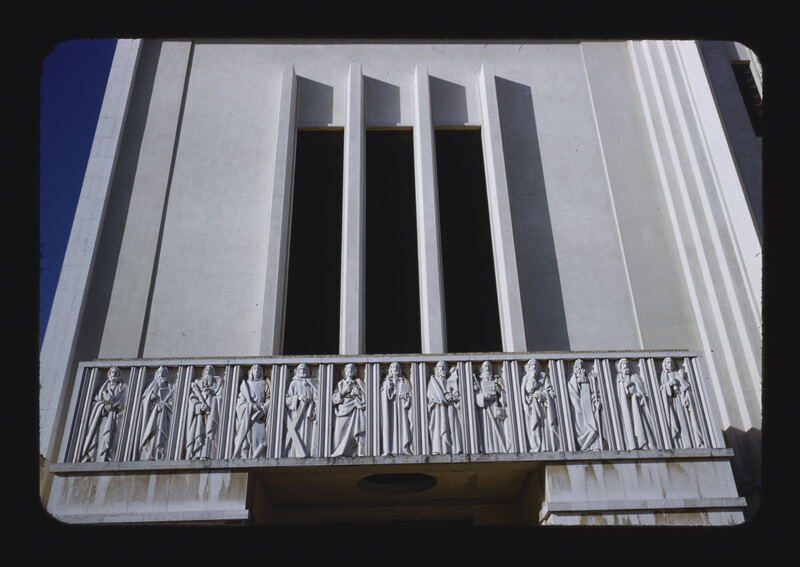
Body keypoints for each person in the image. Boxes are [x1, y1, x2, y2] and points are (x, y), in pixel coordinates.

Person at [80, 366, 126, 462]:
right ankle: (96, 457)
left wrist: (117, 405)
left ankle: (110, 457)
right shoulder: (102, 388)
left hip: (117, 418)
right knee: (99, 438)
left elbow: (127, 401)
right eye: (112, 372)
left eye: (116, 373)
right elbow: (95, 403)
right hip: (102, 418)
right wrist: (103, 407)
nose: (114, 374)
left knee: (113, 439)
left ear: (119, 375)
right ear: (109, 374)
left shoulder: (123, 387)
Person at [659, 357, 705, 448]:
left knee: (688, 421)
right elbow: (662, 389)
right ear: (665, 365)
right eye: (668, 363)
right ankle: (680, 444)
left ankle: (693, 442)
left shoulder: (678, 373)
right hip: (673, 401)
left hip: (682, 400)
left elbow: (685, 386)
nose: (670, 364)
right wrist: (669, 384)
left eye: (671, 362)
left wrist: (685, 394)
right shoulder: (665, 375)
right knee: (678, 422)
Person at [616, 358, 658, 450]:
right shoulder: (620, 379)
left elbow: (642, 390)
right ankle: (634, 444)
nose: (627, 369)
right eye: (624, 368)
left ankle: (647, 443)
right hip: (628, 407)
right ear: (621, 369)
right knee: (631, 424)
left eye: (628, 367)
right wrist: (626, 387)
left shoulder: (635, 376)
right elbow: (622, 395)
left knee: (642, 423)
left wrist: (638, 394)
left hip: (638, 405)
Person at [521, 359, 560, 452]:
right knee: (535, 426)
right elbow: (526, 391)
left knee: (545, 426)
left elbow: (550, 391)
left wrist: (542, 394)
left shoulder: (543, 376)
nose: (534, 367)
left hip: (544, 406)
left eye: (536, 365)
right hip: (532, 406)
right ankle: (536, 446)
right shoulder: (526, 377)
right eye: (532, 365)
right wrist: (532, 379)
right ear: (529, 367)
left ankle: (548, 446)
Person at [233, 364, 271, 459]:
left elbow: (269, 399)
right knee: (245, 440)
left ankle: (258, 456)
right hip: (247, 415)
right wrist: (250, 406)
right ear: (251, 372)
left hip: (259, 415)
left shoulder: (264, 383)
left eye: (259, 370)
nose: (256, 371)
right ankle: (243, 457)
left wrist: (263, 409)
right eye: (254, 369)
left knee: (259, 438)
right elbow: (240, 403)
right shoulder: (245, 385)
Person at [426, 361, 463, 455]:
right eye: (439, 366)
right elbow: (431, 396)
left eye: (444, 366)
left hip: (450, 409)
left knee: (452, 427)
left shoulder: (449, 381)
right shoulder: (433, 381)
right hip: (439, 409)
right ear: (436, 369)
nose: (442, 368)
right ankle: (439, 449)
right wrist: (443, 398)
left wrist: (452, 397)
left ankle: (452, 449)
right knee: (439, 427)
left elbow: (456, 395)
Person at [185, 365, 221, 459]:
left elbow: (220, 399)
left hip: (211, 415)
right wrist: (199, 406)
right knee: (198, 432)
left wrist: (211, 398)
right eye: (206, 369)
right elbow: (192, 400)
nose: (208, 371)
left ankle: (207, 455)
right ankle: (196, 454)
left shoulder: (217, 385)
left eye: (211, 370)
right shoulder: (197, 384)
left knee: (209, 434)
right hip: (199, 416)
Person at [331, 363, 367, 457]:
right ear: (345, 371)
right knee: (339, 434)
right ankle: (338, 452)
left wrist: (358, 393)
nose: (350, 370)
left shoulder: (358, 383)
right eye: (348, 368)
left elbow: (366, 398)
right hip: (342, 411)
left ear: (355, 371)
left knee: (357, 429)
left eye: (352, 368)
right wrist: (344, 391)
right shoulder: (340, 384)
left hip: (356, 409)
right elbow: (334, 399)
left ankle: (356, 450)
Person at [139, 366, 174, 461]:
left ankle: (162, 454)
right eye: (160, 372)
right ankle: (151, 454)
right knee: (153, 435)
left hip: (166, 416)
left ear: (167, 375)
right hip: (153, 416)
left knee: (163, 435)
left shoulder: (171, 387)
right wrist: (151, 398)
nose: (161, 374)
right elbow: (144, 401)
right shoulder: (152, 387)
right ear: (156, 374)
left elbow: (174, 403)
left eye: (164, 373)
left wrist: (164, 405)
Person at [567, 359, 602, 450]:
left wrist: (595, 399)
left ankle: (593, 446)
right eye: (578, 365)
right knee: (582, 426)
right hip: (579, 406)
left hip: (589, 406)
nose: (580, 367)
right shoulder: (573, 379)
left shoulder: (589, 377)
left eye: (581, 365)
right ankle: (583, 446)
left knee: (593, 425)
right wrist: (578, 380)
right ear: (575, 367)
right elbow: (572, 391)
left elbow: (594, 391)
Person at [473, 361, 508, 453]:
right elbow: (475, 397)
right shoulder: (479, 383)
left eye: (489, 367)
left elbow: (504, 398)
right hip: (485, 410)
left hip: (495, 407)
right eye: (485, 367)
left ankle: (499, 448)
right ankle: (488, 449)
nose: (487, 368)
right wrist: (483, 397)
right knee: (487, 429)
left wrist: (499, 390)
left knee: (498, 428)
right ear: (482, 370)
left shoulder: (496, 382)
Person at [284, 363, 317, 457]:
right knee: (296, 432)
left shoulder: (311, 384)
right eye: (301, 369)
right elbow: (286, 399)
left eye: (305, 369)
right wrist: (298, 399)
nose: (303, 371)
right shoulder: (293, 383)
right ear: (297, 371)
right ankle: (295, 454)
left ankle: (307, 453)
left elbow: (316, 398)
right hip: (296, 413)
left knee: (307, 435)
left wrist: (312, 403)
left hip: (308, 415)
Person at [380, 362, 413, 456]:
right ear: (390, 370)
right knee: (390, 426)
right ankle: (389, 449)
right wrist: (388, 389)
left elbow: (410, 395)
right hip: (390, 408)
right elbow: (382, 394)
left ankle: (404, 449)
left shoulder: (405, 381)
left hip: (402, 407)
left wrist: (406, 396)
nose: (396, 369)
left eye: (397, 367)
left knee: (403, 426)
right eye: (393, 367)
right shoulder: (386, 381)